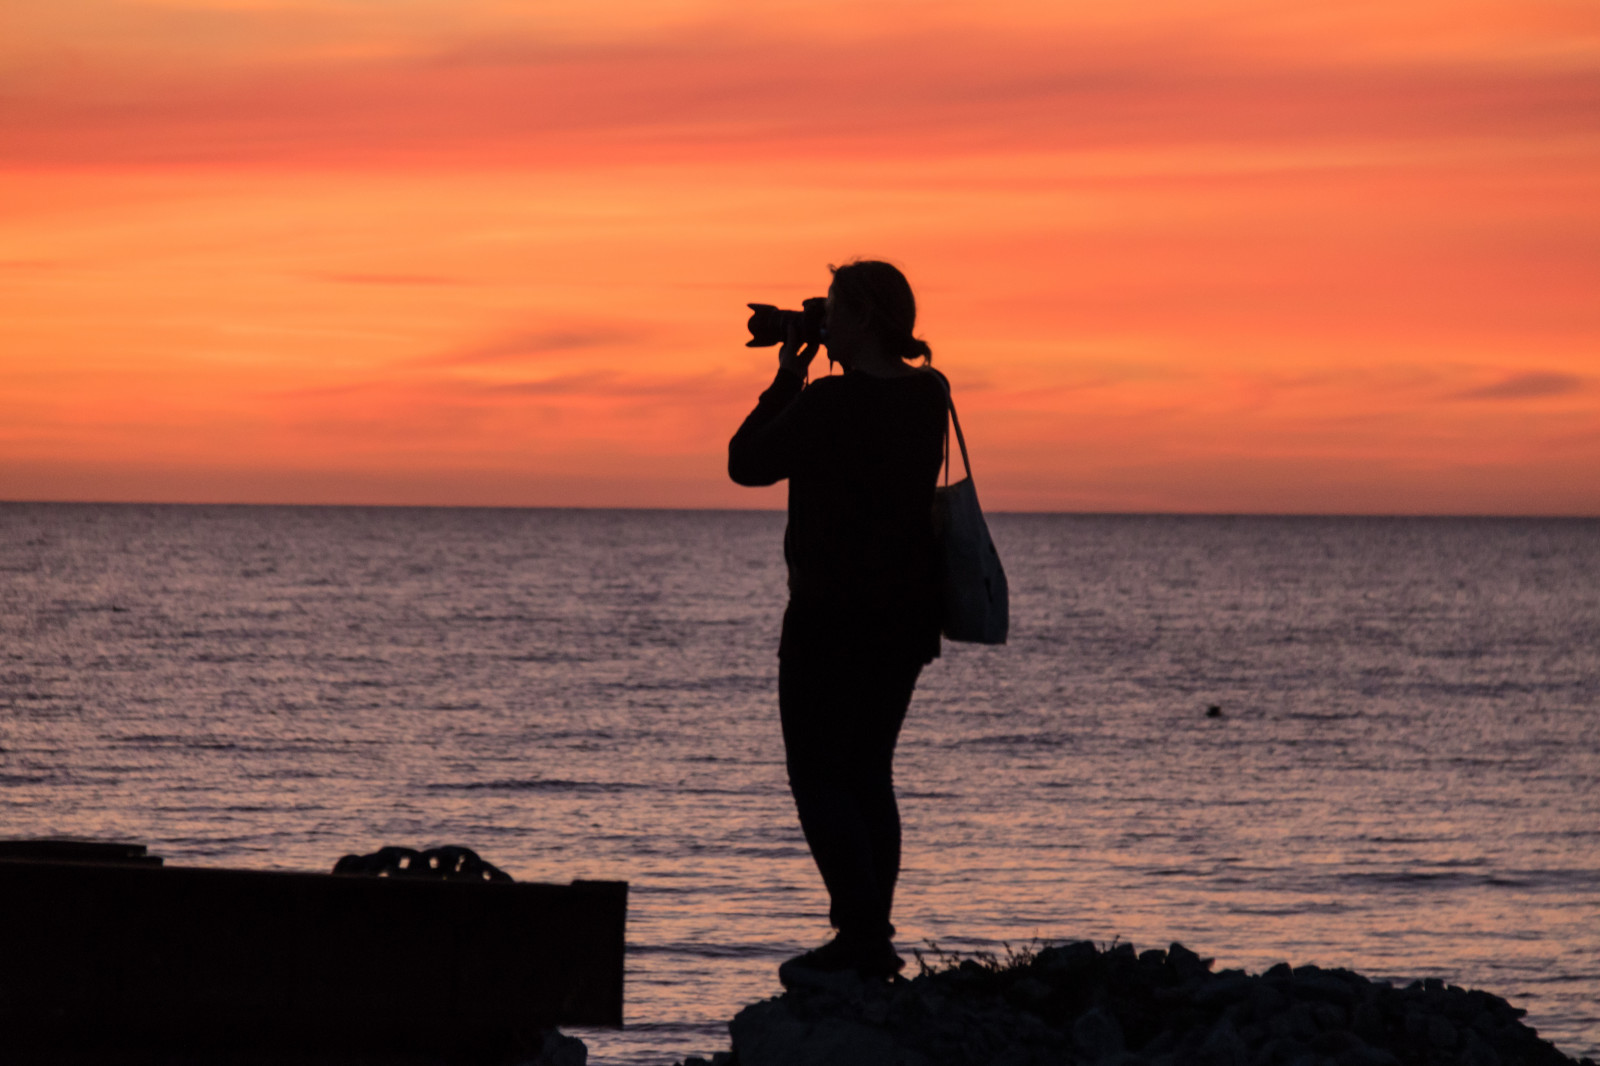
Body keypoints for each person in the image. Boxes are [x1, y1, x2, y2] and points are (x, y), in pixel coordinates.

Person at [728, 260, 948, 980]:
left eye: (832, 309)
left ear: (856, 319)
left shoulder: (827, 403)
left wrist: (789, 376)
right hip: (905, 616)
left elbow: (746, 463)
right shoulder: (929, 395)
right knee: (868, 773)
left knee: (818, 776)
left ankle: (859, 939)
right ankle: (870, 934)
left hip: (830, 617)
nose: (824, 320)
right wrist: (820, 345)